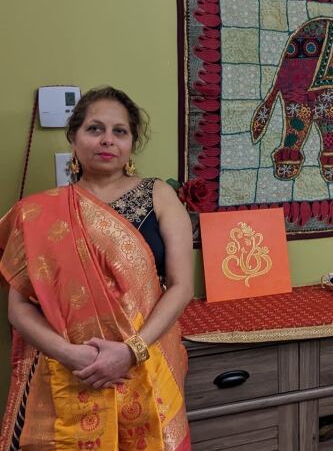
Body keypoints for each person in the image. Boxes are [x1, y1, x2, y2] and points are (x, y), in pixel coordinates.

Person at [0, 86, 193, 450]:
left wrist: (130, 351)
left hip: (145, 362)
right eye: (95, 129)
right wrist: (71, 355)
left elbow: (181, 286)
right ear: (74, 137)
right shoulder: (40, 213)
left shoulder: (159, 196)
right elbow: (18, 307)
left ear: (132, 143)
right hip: (69, 370)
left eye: (120, 131)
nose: (107, 140)